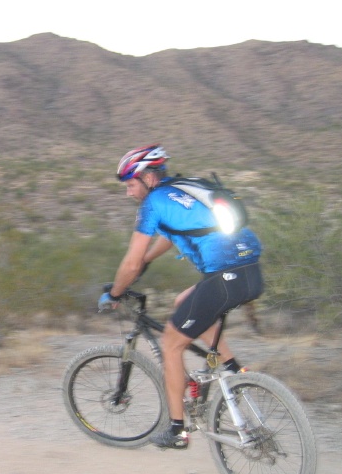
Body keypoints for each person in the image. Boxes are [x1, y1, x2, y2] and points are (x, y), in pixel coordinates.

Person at [98, 144, 263, 449]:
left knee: (171, 343)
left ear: (148, 178)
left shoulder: (152, 204)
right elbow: (176, 234)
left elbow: (130, 263)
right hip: (251, 273)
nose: (128, 193)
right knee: (183, 302)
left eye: (131, 184)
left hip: (223, 278)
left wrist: (116, 291)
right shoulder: (183, 190)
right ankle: (232, 369)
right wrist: (148, 259)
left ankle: (177, 431)